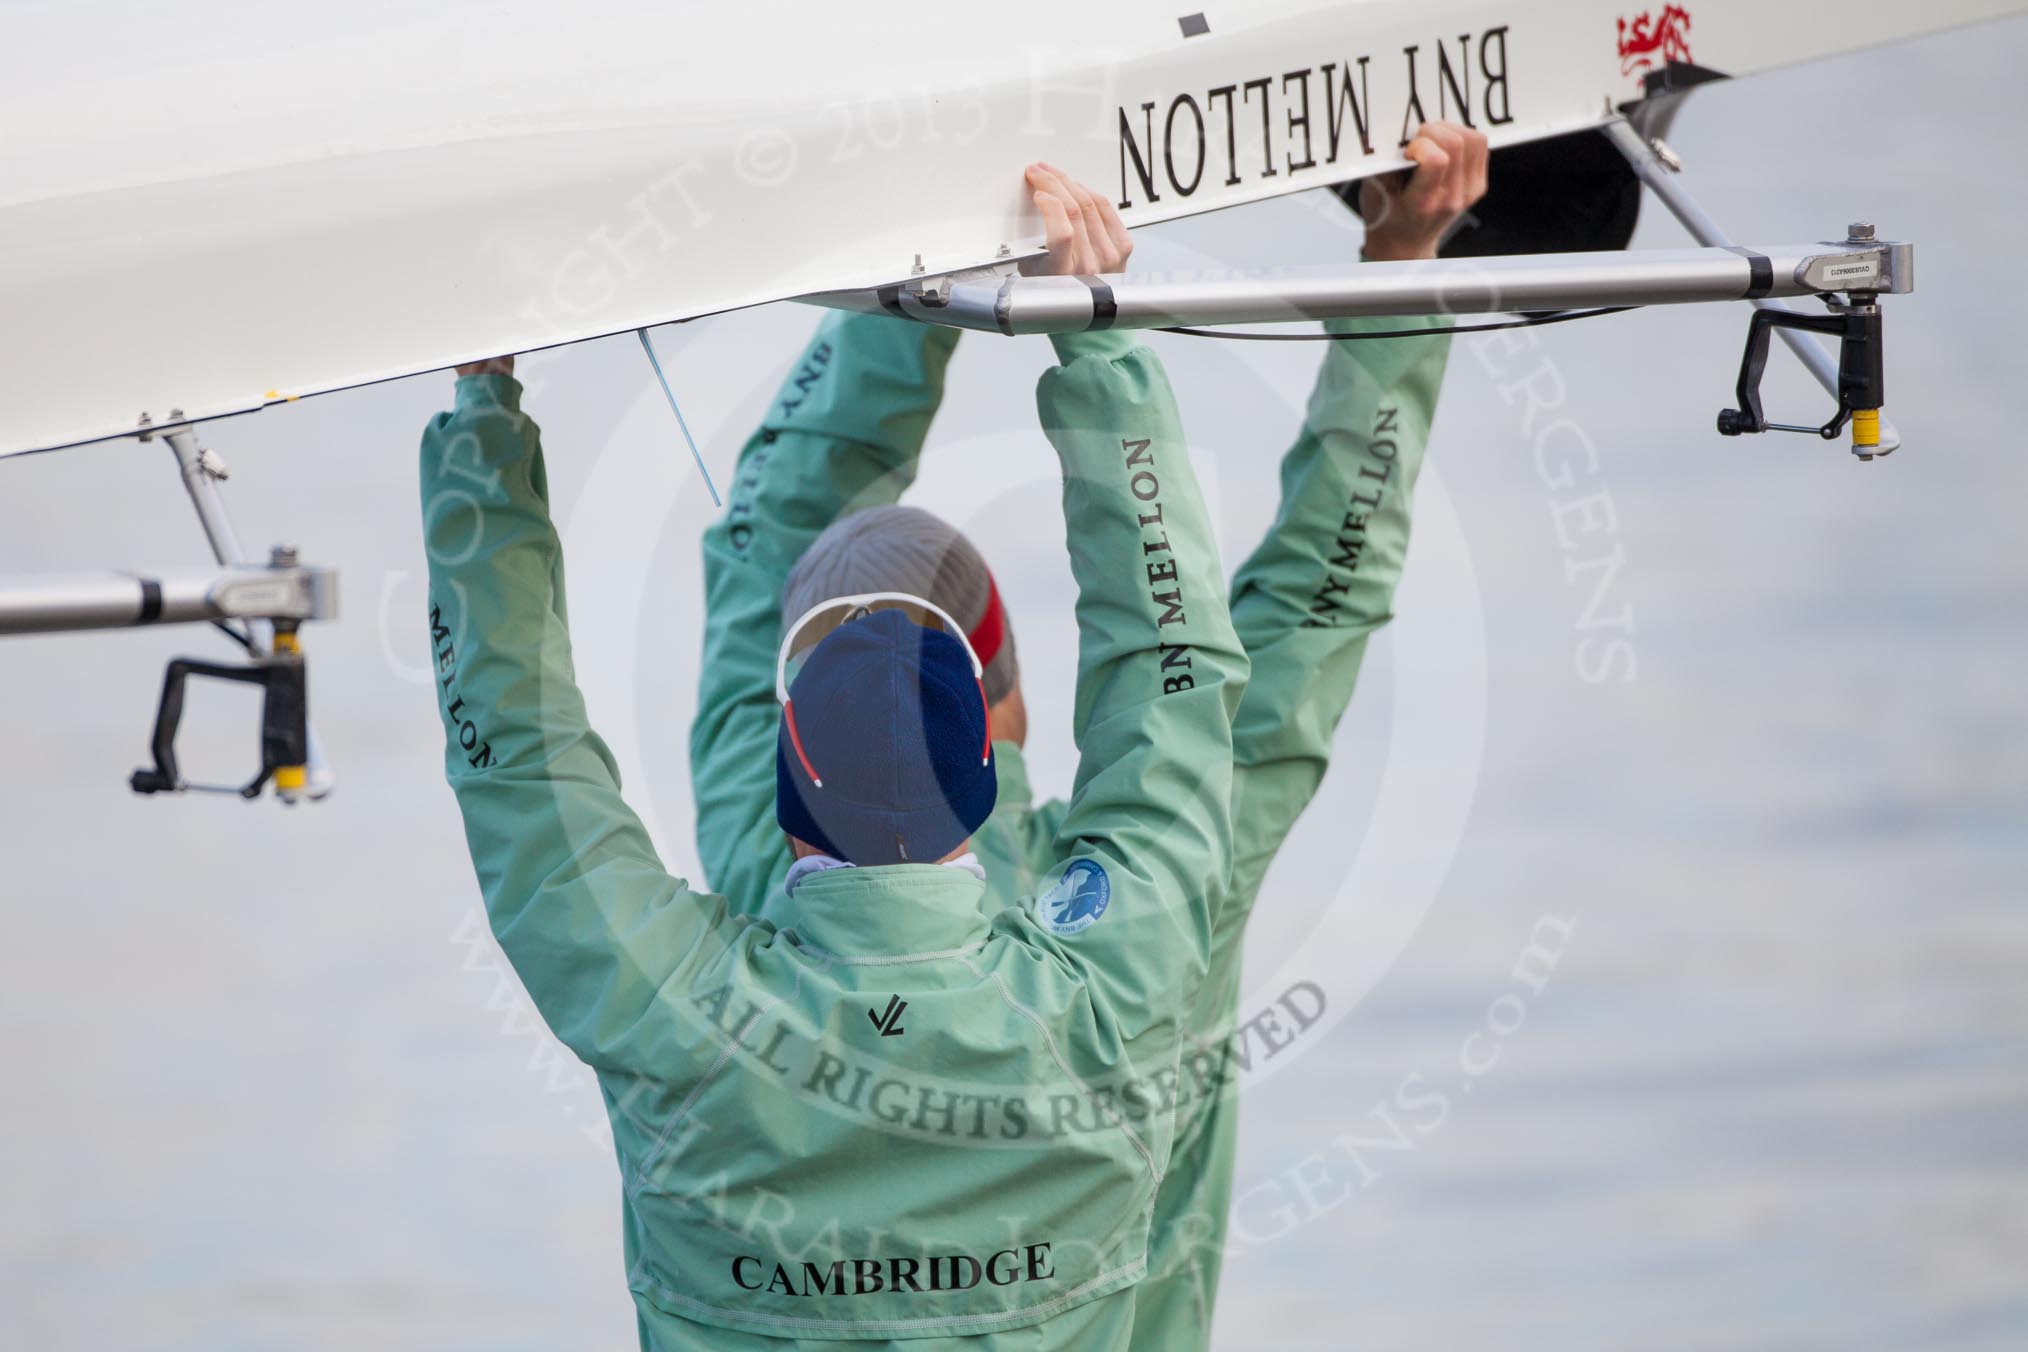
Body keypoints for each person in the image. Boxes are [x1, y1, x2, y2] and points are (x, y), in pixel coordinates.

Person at [419, 165, 1246, 1349]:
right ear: (984, 775)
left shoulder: (676, 1015)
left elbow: (513, 752)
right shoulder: (1110, 1003)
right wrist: (1092, 339)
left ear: (780, 766)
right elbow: (1179, 680)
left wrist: (485, 410)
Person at [691, 125, 1490, 1348]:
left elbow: (772, 524)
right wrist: (1400, 264)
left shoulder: (760, 874)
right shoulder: (1176, 888)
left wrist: (918, 263)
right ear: (999, 705)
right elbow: (1325, 593)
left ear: (792, 730)